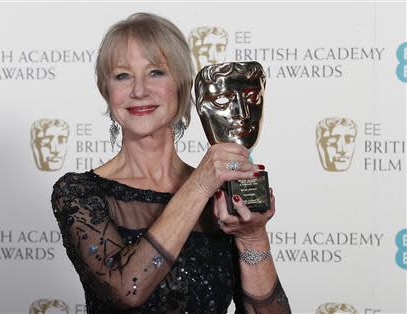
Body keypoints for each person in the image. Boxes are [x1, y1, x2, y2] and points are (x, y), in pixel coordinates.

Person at [51, 12, 291, 313]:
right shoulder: (79, 194)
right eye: (122, 75)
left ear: (182, 86)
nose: (139, 90)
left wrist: (253, 238)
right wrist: (201, 183)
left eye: (156, 72)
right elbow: (128, 289)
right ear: (106, 91)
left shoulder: (223, 196)